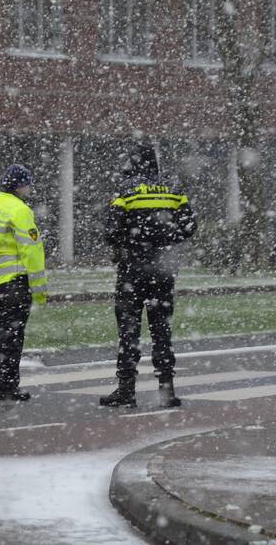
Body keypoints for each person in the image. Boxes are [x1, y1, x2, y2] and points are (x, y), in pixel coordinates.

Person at [99, 144, 197, 408]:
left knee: (128, 332)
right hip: (163, 271)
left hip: (132, 271)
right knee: (162, 331)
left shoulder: (125, 191)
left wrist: (133, 242)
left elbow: (110, 231)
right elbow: (189, 226)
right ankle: (167, 390)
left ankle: (126, 390)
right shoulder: (173, 190)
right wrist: (164, 241)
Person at [0, 164, 48, 401]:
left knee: (0, 335)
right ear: (21, 186)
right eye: (28, 184)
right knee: (13, 337)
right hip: (15, 284)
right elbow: (32, 251)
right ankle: (8, 387)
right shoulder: (21, 211)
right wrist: (39, 291)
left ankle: (2, 384)